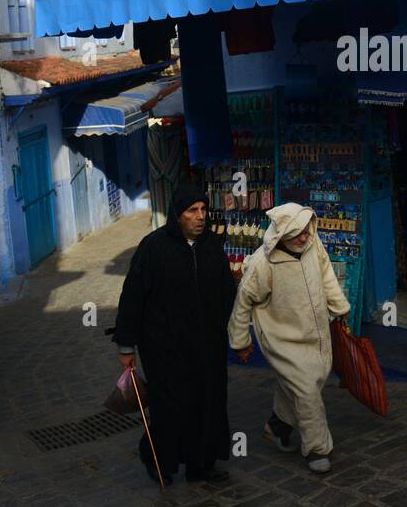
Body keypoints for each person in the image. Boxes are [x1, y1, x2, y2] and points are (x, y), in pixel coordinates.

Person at [113, 183, 236, 485]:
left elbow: (227, 295)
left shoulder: (212, 247)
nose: (200, 217)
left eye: (204, 210)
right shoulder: (154, 247)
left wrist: (235, 332)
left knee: (208, 401)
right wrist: (126, 344)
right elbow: (133, 296)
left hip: (207, 346)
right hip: (165, 347)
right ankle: (158, 460)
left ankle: (201, 464)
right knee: (170, 405)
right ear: (177, 215)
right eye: (192, 211)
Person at [228, 202, 350, 475]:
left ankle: (278, 426)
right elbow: (242, 304)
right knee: (307, 390)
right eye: (298, 233)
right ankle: (318, 449)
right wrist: (240, 342)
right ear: (282, 233)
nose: (305, 237)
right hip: (282, 339)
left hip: (315, 331)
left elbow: (327, 273)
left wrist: (339, 307)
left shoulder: (313, 245)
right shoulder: (262, 264)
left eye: (307, 230)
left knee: (306, 382)